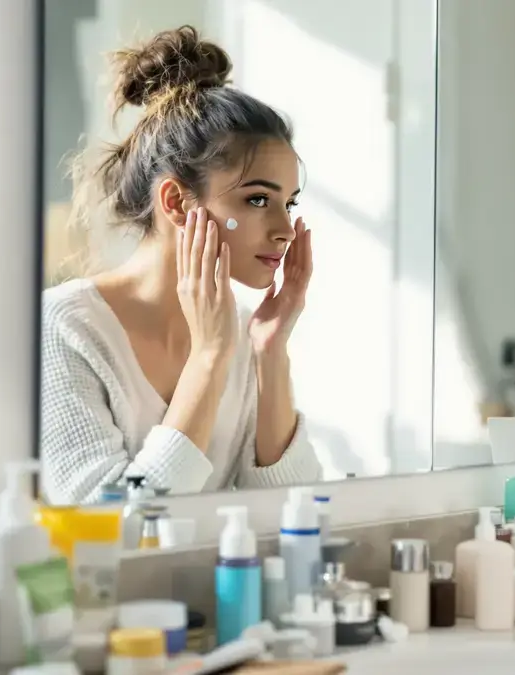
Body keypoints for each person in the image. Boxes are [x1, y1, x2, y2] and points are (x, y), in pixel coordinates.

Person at [41, 26, 322, 504]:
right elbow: (106, 531)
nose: (284, 229)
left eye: (288, 203)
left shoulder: (242, 331)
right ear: (175, 201)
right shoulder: (66, 329)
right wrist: (209, 358)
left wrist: (270, 355)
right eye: (258, 199)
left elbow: (292, 519)